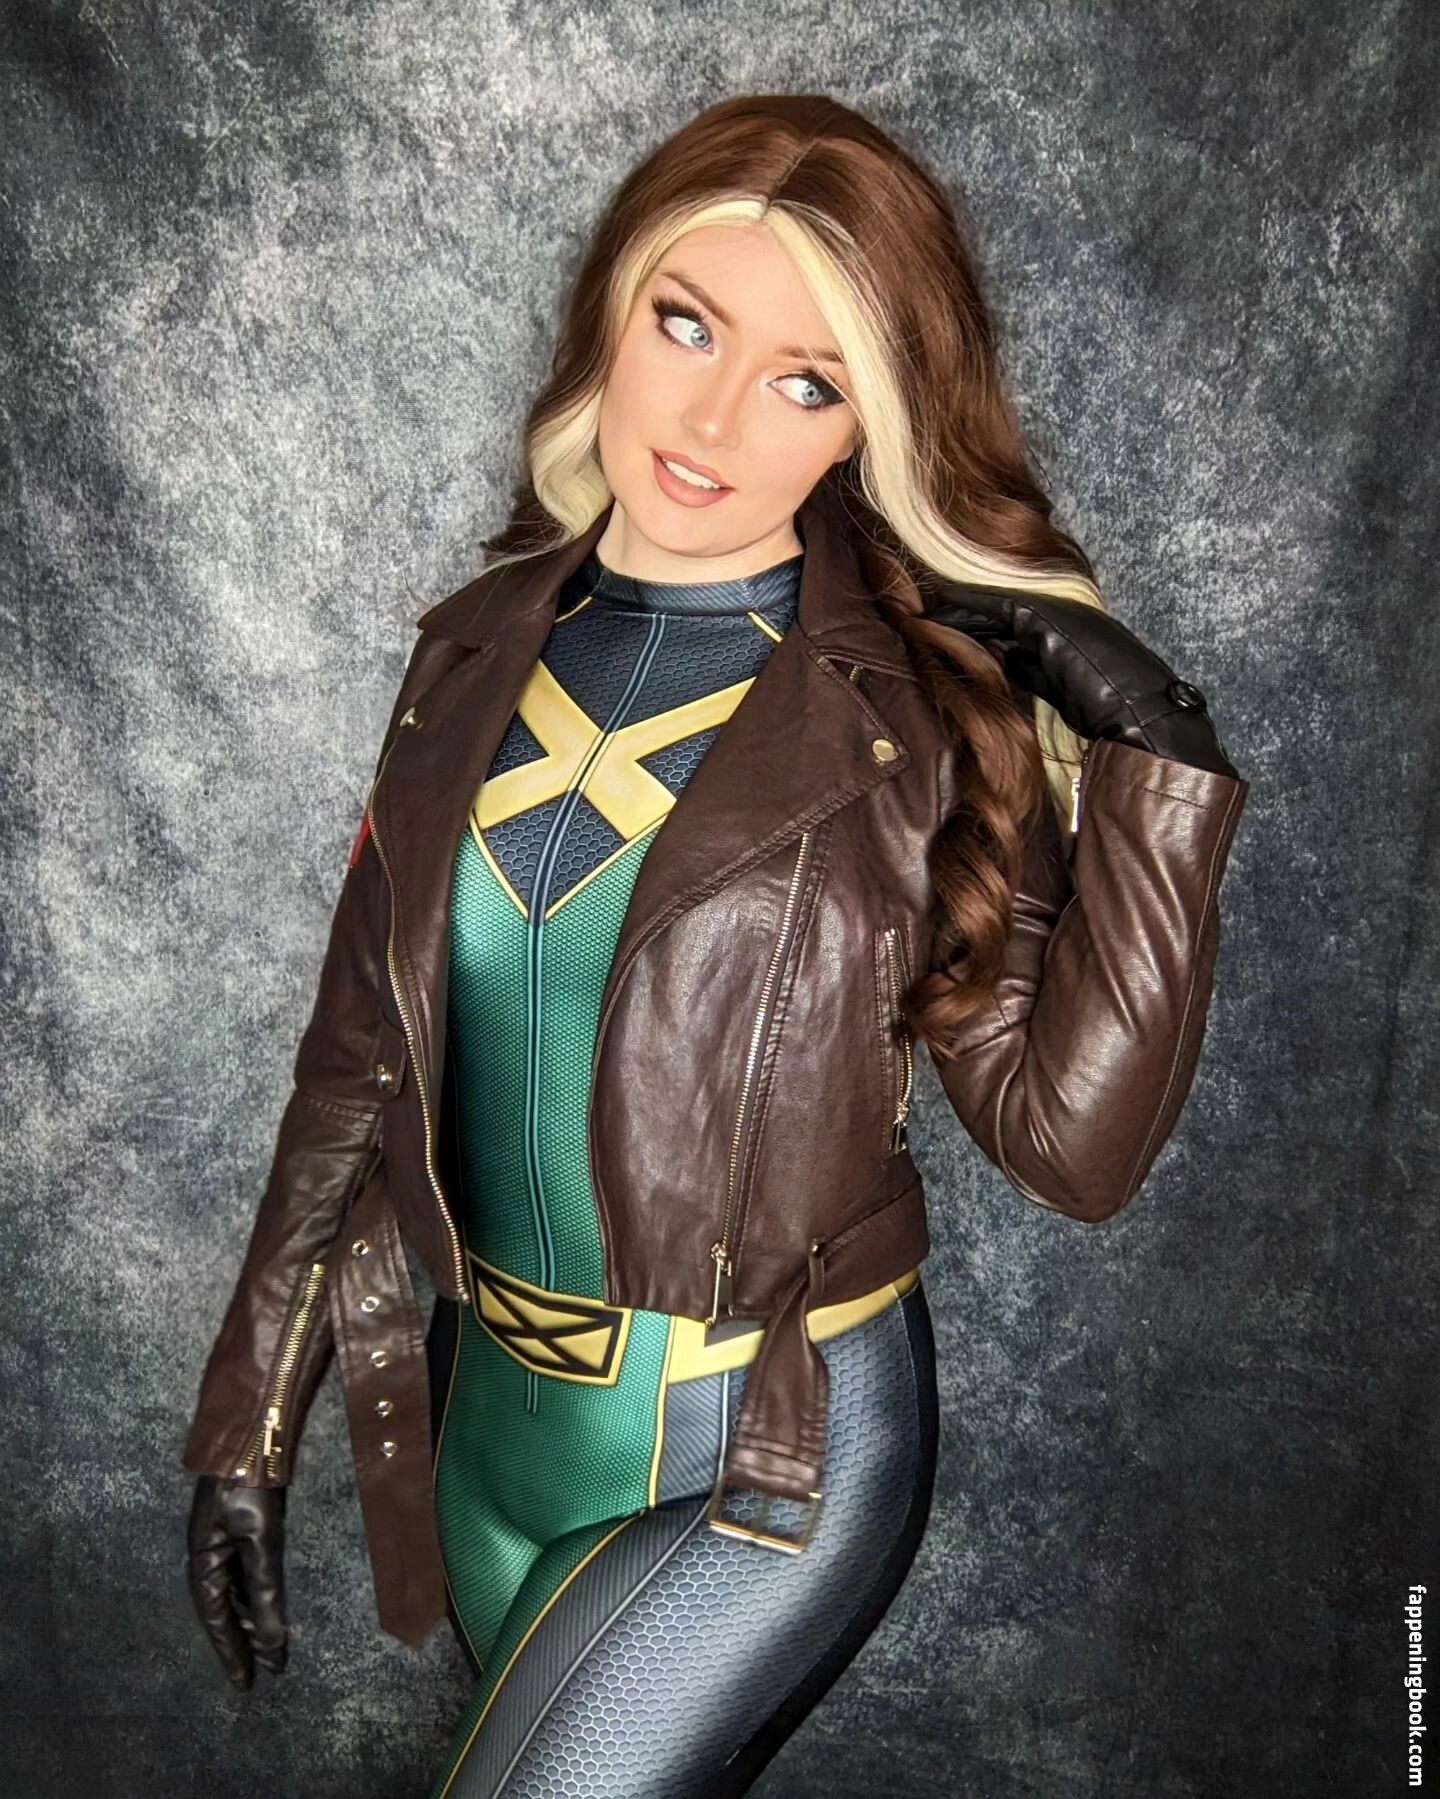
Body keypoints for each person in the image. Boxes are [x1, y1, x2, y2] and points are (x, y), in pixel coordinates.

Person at [182, 93, 1250, 1797]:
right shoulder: (469, 655)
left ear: (869, 425)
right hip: (490, 1422)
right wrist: (249, 1422)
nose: (714, 417)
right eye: (688, 324)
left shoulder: (916, 723)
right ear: (613, 308)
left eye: (807, 381)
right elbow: (357, 1069)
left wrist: (1156, 749)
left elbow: (1075, 1145)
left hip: (767, 1450)